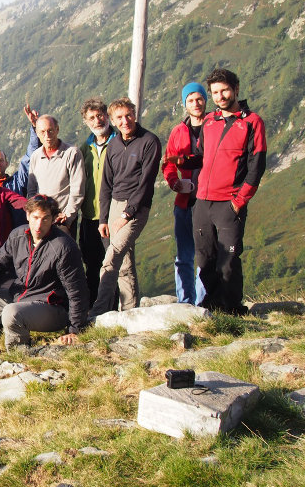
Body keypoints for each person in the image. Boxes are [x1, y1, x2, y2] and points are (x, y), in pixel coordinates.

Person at [171, 68, 266, 315]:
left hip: (229, 202)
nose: (220, 96)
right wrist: (183, 162)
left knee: (229, 261)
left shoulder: (252, 122)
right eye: (215, 92)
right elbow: (202, 156)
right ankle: (212, 307)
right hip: (203, 202)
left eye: (225, 90)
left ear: (236, 89)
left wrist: (239, 200)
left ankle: (233, 310)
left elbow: (257, 166)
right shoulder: (210, 121)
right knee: (205, 260)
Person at [0, 196, 89, 353]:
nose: (39, 225)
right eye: (36, 217)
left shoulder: (62, 246)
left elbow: (76, 290)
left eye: (45, 219)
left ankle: (18, 358)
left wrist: (74, 330)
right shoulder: (18, 236)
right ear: (28, 215)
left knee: (12, 313)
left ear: (53, 219)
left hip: (51, 307)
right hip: (20, 297)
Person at [88, 98, 161, 317]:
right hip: (113, 206)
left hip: (136, 207)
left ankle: (98, 312)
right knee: (125, 262)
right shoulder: (114, 145)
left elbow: (146, 183)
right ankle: (130, 311)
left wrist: (127, 214)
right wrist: (103, 219)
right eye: (119, 117)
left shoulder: (149, 142)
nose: (125, 121)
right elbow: (106, 185)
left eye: (128, 115)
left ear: (135, 114)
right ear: (113, 120)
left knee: (112, 256)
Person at [162, 82, 208, 305]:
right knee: (184, 255)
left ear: (205, 100)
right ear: (185, 104)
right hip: (184, 200)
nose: (196, 103)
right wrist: (174, 183)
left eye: (199, 99)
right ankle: (185, 302)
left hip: (210, 201)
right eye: (191, 100)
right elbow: (168, 164)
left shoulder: (215, 126)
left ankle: (203, 302)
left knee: (206, 255)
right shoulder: (178, 132)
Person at [78, 98, 117, 305]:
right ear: (86, 122)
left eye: (100, 115)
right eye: (91, 118)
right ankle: (93, 309)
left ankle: (113, 307)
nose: (97, 120)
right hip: (89, 216)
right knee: (91, 264)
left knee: (112, 264)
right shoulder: (85, 148)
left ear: (107, 116)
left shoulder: (119, 143)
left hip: (113, 216)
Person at [26, 114, 86, 239]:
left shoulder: (71, 153)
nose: (47, 136)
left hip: (62, 220)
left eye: (50, 130)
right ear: (37, 133)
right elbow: (32, 190)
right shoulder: (36, 156)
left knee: (63, 255)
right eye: (42, 132)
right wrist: (35, 213)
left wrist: (68, 217)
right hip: (41, 220)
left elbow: (77, 189)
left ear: (57, 129)